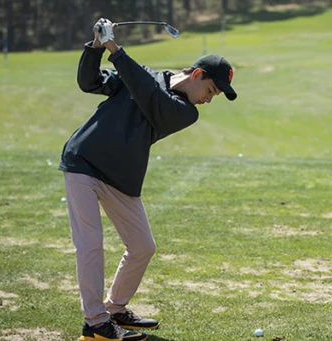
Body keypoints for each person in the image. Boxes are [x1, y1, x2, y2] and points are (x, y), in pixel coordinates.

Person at [59, 18, 237, 341]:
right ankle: (96, 323)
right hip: (83, 161)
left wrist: (117, 50)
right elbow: (89, 81)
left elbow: (150, 98)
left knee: (142, 245)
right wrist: (96, 47)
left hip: (120, 176)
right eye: (211, 90)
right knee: (90, 245)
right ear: (197, 75)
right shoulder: (140, 74)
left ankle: (116, 308)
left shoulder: (185, 111)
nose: (210, 99)